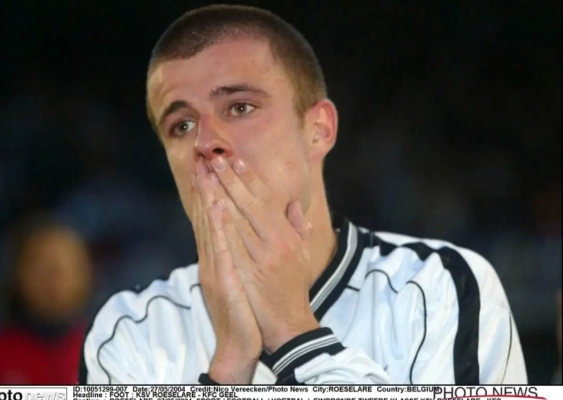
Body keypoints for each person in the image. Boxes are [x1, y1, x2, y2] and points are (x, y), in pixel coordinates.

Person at [80, 4, 526, 384]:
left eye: (239, 107)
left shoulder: (440, 287)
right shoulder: (128, 331)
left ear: (319, 130)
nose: (206, 141)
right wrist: (229, 368)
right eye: (182, 125)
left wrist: (291, 331)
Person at [0, 214, 92, 384]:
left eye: (63, 268)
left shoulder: (111, 352)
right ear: (17, 274)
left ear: (85, 275)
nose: (53, 280)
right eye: (42, 267)